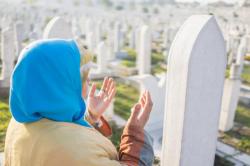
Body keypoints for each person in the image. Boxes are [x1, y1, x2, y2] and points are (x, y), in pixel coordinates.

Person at [4, 39, 154, 166]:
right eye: (80, 76)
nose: (88, 81)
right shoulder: (75, 151)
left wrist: (91, 117)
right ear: (58, 84)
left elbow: (58, 132)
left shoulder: (19, 122)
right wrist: (135, 133)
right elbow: (75, 148)